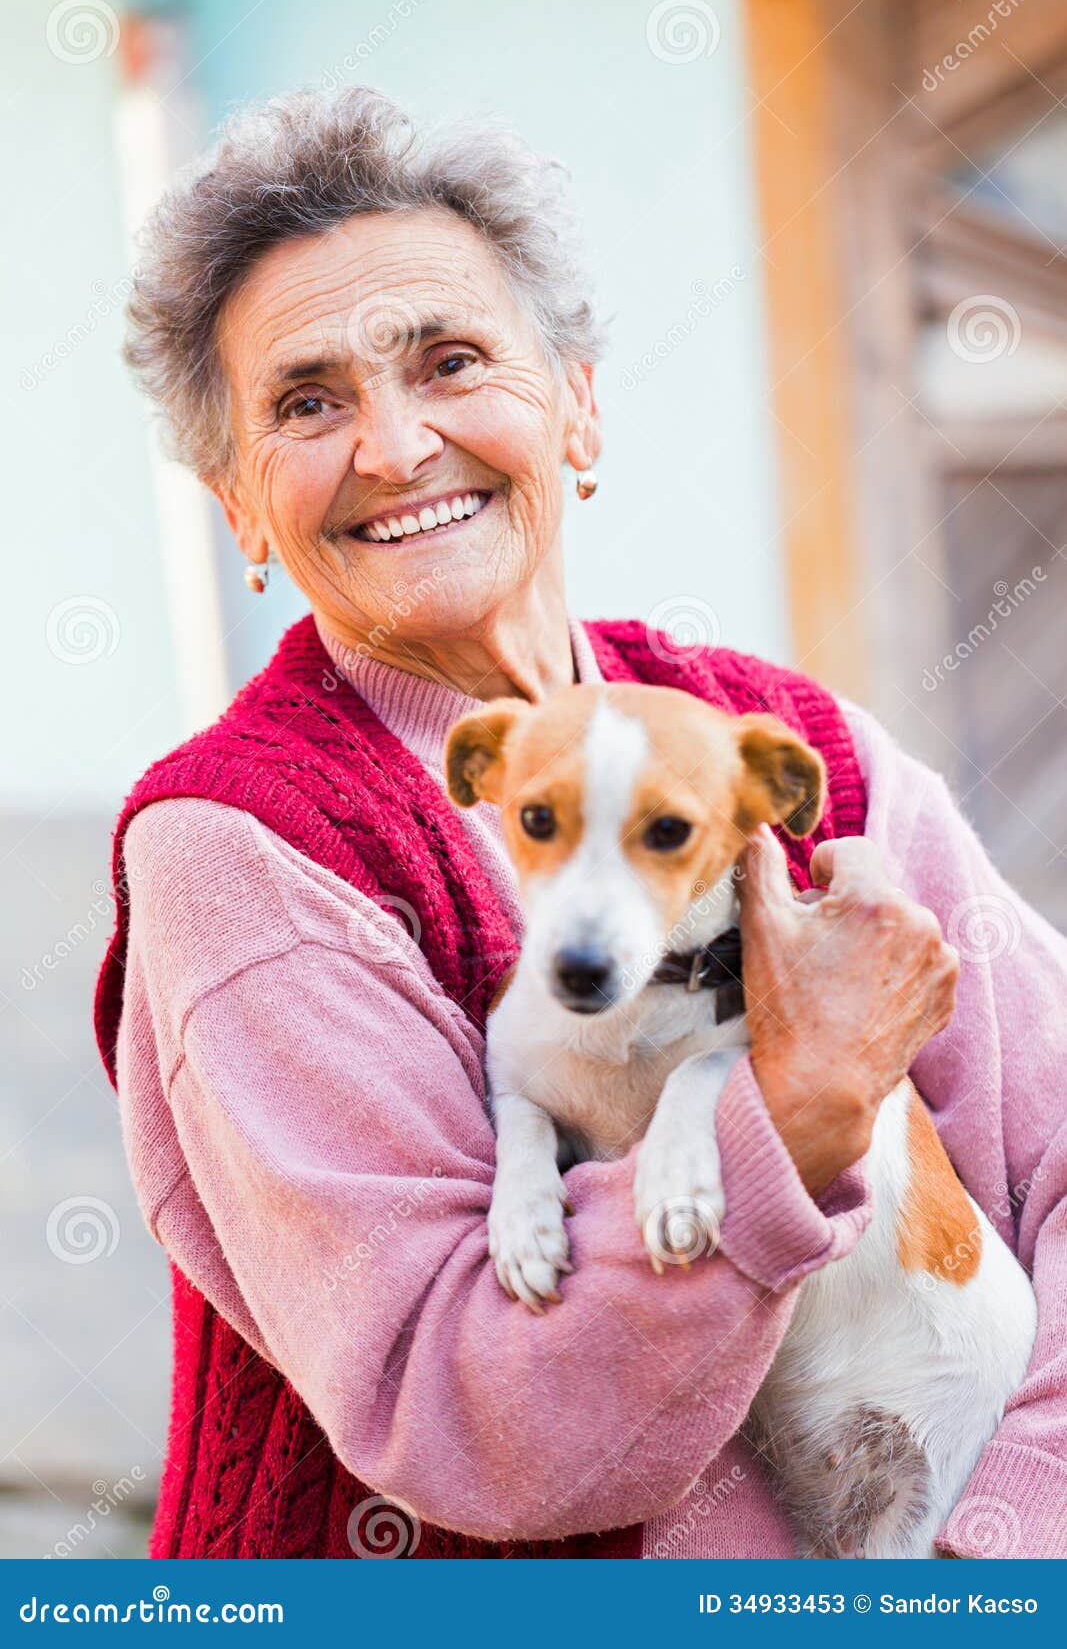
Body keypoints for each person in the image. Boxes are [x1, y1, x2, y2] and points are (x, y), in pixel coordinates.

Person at [95, 86, 1067, 1560]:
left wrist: (993, 1549)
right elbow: (485, 1424)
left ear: (580, 405)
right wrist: (787, 1118)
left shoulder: (792, 747)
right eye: (306, 402)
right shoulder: (240, 844)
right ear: (239, 507)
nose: (395, 442)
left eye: (453, 359)